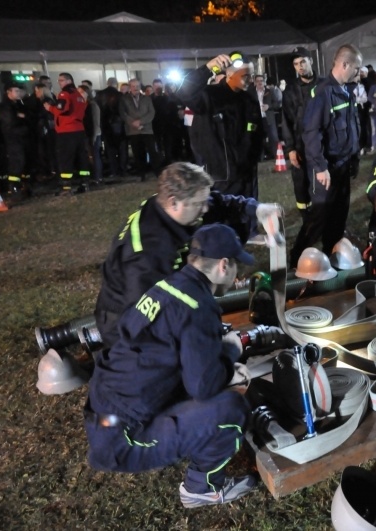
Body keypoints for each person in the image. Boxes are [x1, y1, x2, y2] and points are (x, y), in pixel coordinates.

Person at [85, 223, 258, 508]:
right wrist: (229, 354)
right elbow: (203, 387)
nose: (238, 274)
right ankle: (201, 489)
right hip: (123, 438)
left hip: (105, 414)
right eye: (237, 266)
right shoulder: (196, 304)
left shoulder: (168, 286)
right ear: (224, 266)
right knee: (231, 407)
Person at [94, 162, 279, 350]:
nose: (206, 208)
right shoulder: (147, 253)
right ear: (174, 202)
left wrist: (256, 209)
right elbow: (143, 319)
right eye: (200, 204)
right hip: (126, 325)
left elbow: (220, 203)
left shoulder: (173, 205)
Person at [289, 44, 362, 268]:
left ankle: (333, 258)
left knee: (338, 218)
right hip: (326, 169)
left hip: (342, 166)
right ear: (344, 64)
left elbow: (351, 127)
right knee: (318, 220)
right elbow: (311, 133)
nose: (359, 73)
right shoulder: (323, 93)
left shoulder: (346, 90)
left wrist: (354, 159)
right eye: (356, 69)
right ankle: (295, 264)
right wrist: (320, 168)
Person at [177, 53, 264, 199]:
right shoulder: (210, 96)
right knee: (222, 219)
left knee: (248, 216)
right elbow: (184, 92)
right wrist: (207, 68)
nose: (250, 80)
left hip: (247, 176)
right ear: (229, 74)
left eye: (252, 75)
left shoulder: (249, 101)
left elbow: (257, 133)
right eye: (245, 76)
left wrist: (253, 159)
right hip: (221, 177)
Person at [281, 47, 323, 221]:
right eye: (296, 64)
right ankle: (305, 215)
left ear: (311, 61)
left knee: (321, 181)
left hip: (321, 143)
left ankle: (322, 212)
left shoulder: (324, 85)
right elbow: (286, 121)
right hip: (300, 144)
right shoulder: (290, 91)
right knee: (301, 181)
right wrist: (290, 149)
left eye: (303, 62)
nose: (300, 66)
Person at [44, 72, 90, 194]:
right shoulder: (78, 95)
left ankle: (66, 187)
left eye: (62, 80)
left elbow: (61, 109)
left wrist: (50, 108)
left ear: (69, 81)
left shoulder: (65, 93)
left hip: (66, 130)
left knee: (65, 158)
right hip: (79, 129)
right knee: (82, 158)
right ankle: (84, 183)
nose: (59, 82)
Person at [120, 79, 161, 180]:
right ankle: (142, 174)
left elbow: (151, 112)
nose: (136, 88)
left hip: (147, 129)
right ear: (130, 87)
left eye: (137, 86)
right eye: (133, 86)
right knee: (138, 154)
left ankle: (158, 173)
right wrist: (133, 123)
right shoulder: (124, 99)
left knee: (153, 152)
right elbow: (123, 114)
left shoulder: (147, 99)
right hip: (133, 131)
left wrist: (141, 122)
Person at [0, 83, 33, 198]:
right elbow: (11, 122)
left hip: (23, 138)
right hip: (13, 139)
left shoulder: (19, 104)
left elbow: (29, 117)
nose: (18, 93)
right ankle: (14, 188)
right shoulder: (5, 106)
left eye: (19, 91)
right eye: (16, 91)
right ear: (9, 92)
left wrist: (23, 117)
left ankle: (26, 187)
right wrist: (21, 117)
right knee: (17, 163)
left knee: (26, 162)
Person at [95, 77, 126, 178]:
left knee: (110, 150)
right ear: (116, 84)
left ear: (107, 83)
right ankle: (122, 169)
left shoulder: (99, 95)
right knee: (122, 149)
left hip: (105, 125)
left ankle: (113, 170)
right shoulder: (120, 95)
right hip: (119, 125)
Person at [249, 74, 281, 159]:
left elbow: (277, 104)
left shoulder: (270, 91)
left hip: (268, 118)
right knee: (256, 139)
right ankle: (260, 158)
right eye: (258, 81)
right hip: (255, 120)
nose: (260, 82)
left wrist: (268, 107)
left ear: (264, 82)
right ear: (255, 82)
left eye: (261, 81)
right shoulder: (250, 92)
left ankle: (277, 158)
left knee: (274, 138)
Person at [78, 84, 102, 183]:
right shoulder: (82, 105)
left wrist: (94, 136)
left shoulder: (92, 105)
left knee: (94, 155)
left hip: (93, 134)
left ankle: (97, 177)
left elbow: (96, 121)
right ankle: (93, 176)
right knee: (89, 156)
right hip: (86, 133)